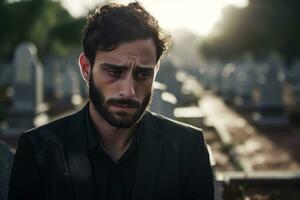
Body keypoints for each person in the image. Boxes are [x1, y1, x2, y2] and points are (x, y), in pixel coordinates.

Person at [8, 2, 214, 200]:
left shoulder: (188, 149)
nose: (129, 91)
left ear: (156, 71)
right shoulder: (38, 150)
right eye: (114, 72)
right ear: (86, 68)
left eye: (142, 75)